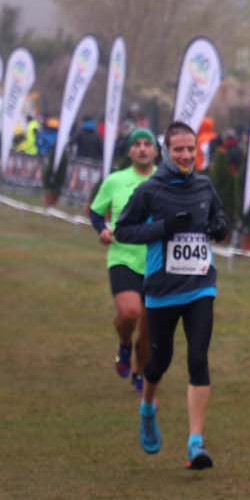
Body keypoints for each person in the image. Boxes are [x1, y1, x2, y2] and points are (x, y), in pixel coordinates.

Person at [114, 121, 229, 468]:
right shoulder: (151, 189)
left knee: (198, 358)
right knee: (159, 362)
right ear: (166, 151)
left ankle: (196, 443)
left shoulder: (205, 186)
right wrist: (163, 229)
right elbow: (124, 230)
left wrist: (220, 228)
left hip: (200, 286)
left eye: (190, 149)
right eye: (178, 149)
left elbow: (219, 218)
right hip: (163, 290)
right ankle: (148, 407)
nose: (185, 155)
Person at [89, 127, 159, 393]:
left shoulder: (165, 180)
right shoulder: (115, 180)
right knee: (130, 312)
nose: (142, 149)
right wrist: (102, 230)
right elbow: (96, 213)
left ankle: (140, 371)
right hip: (123, 255)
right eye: (137, 144)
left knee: (150, 327)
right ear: (129, 151)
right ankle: (124, 344)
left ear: (155, 150)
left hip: (156, 260)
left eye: (147, 144)